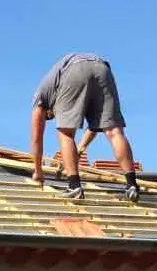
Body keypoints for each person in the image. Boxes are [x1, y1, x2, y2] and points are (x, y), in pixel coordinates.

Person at [31, 53, 140, 202]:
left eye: (50, 116)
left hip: (74, 71)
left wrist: (38, 171)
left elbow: (37, 138)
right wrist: (81, 147)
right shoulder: (57, 88)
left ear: (48, 110)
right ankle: (131, 185)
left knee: (65, 132)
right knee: (114, 131)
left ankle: (74, 186)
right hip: (102, 69)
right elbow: (96, 124)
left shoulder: (40, 98)